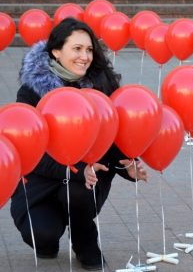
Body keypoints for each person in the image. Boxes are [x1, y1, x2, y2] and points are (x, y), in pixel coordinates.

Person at [10, 17, 148, 271]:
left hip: (88, 178)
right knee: (41, 234)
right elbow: (27, 149)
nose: (85, 56)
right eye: (76, 49)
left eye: (89, 50)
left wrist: (128, 166)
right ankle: (49, 236)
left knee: (77, 189)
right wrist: (71, 168)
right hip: (42, 177)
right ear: (56, 51)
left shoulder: (102, 85)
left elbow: (114, 136)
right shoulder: (32, 91)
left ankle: (86, 244)